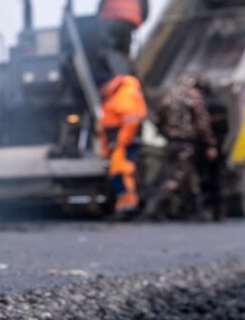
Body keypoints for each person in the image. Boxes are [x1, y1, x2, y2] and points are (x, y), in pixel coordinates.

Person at [149, 73, 216, 220]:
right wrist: (210, 143)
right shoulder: (193, 96)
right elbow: (202, 122)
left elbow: (155, 118)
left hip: (171, 142)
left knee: (187, 175)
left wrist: (165, 132)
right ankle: (157, 206)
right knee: (178, 176)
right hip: (187, 143)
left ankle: (191, 210)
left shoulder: (168, 95)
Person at [96, 72, 147, 218]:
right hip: (120, 142)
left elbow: (131, 121)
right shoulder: (115, 94)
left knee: (122, 171)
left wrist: (121, 142)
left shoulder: (123, 93)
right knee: (118, 172)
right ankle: (124, 204)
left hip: (123, 142)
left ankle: (128, 206)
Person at [98, 0, 150, 72]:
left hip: (109, 25)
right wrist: (137, 24)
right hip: (127, 26)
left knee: (108, 51)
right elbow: (145, 11)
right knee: (124, 53)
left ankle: (109, 71)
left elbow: (100, 7)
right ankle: (125, 72)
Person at [194, 79, 230, 221]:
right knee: (216, 179)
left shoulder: (200, 106)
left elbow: (201, 129)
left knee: (201, 177)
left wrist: (209, 146)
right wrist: (216, 146)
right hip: (218, 147)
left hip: (202, 147)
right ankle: (217, 209)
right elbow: (224, 129)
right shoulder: (220, 105)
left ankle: (203, 209)